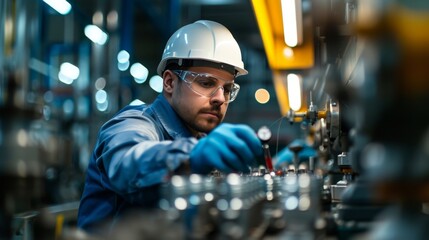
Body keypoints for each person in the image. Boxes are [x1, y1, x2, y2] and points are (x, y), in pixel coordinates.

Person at [77, 20, 263, 232]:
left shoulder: (198, 138)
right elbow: (128, 162)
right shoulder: (134, 122)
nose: (220, 98)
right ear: (169, 82)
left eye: (227, 89)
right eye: (207, 83)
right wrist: (190, 159)